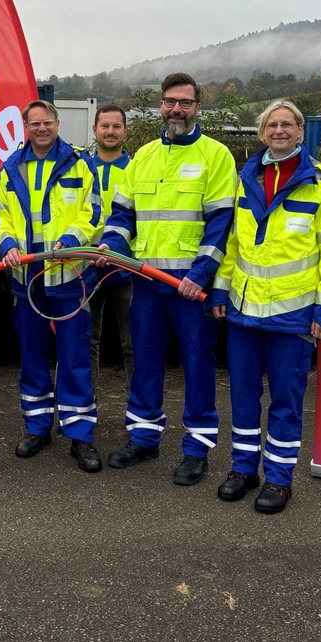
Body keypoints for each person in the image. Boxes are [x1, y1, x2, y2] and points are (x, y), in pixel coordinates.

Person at [98, 72, 235, 486]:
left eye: (185, 102)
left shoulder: (216, 156)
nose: (177, 109)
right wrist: (111, 246)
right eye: (170, 102)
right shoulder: (142, 157)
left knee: (198, 366)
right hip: (147, 283)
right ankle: (143, 437)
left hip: (189, 288)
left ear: (197, 108)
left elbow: (221, 224)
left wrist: (200, 275)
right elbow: (123, 215)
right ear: (161, 105)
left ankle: (196, 449)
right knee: (145, 362)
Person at [211, 100, 321, 514]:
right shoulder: (244, 178)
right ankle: (242, 469)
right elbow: (232, 242)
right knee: (244, 395)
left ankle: (279, 479)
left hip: (295, 316)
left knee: (286, 401)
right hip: (244, 311)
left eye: (288, 124)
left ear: (301, 132)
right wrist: (220, 291)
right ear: (262, 131)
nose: (280, 130)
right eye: (273, 124)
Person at [0, 99, 104, 473]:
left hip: (69, 278)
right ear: (25, 126)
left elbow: (94, 213)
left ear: (57, 123)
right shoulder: (10, 169)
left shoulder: (80, 163)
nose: (42, 128)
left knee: (74, 358)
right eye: (35, 123)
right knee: (33, 356)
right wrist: (7, 244)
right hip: (27, 280)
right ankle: (37, 427)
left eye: (48, 122)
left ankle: (80, 433)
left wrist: (72, 239)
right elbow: (1, 217)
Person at [88, 104, 134, 393]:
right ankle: (82, 407)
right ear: (94, 130)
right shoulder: (79, 168)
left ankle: (139, 413)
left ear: (125, 132)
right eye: (104, 126)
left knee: (134, 343)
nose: (110, 131)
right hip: (85, 265)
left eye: (116, 126)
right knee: (85, 341)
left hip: (127, 267)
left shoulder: (138, 170)